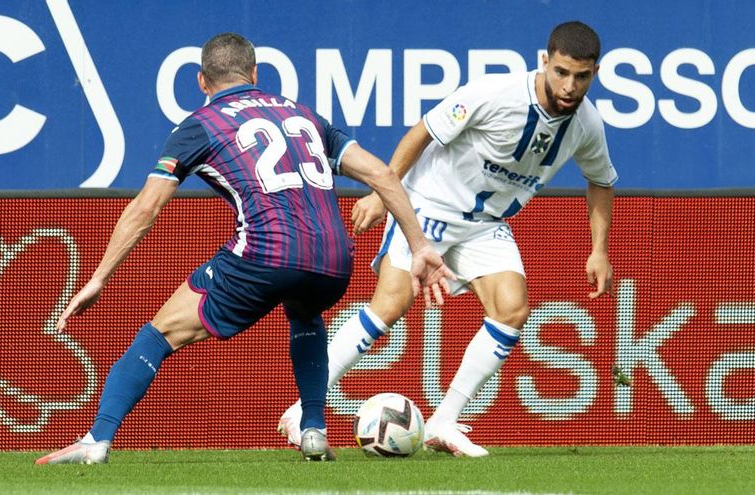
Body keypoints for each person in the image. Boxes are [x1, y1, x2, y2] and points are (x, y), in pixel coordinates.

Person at [36, 32, 453, 465]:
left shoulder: (200, 125)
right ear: (254, 73)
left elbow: (146, 208)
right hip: (335, 258)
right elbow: (383, 175)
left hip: (266, 253)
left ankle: (97, 439)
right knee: (305, 312)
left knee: (158, 335)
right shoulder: (304, 114)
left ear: (202, 81)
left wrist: (99, 278)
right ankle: (313, 428)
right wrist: (419, 245)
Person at [277, 21, 618, 457]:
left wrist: (599, 249)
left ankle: (443, 422)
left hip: (485, 223)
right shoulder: (495, 93)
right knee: (391, 303)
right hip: (428, 203)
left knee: (512, 308)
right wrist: (383, 193)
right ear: (545, 62)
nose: (570, 86)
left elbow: (600, 181)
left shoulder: (587, 124)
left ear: (595, 73)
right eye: (562, 72)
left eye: (582, 76)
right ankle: (302, 410)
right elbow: (423, 131)